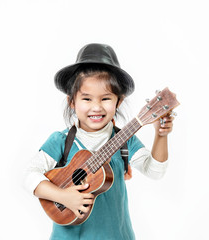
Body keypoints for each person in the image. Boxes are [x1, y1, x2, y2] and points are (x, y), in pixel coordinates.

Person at [24, 43, 174, 240]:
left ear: (118, 101)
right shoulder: (61, 141)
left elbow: (155, 171)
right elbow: (29, 176)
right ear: (72, 102)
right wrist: (63, 197)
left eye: (105, 99)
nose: (96, 107)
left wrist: (161, 135)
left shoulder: (124, 141)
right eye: (86, 99)